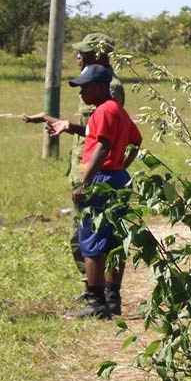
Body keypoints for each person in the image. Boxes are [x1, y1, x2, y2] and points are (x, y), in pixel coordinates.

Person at [22, 33, 124, 298]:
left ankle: (99, 293)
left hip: (97, 171)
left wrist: (67, 127)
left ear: (99, 55)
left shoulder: (109, 86)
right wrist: (52, 119)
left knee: (93, 235)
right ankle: (95, 289)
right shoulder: (90, 83)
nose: (78, 57)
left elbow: (107, 132)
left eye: (84, 52)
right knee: (88, 234)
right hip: (85, 164)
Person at [56, 64, 141, 319]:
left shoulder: (104, 111)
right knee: (115, 241)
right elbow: (136, 140)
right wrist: (123, 165)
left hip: (100, 178)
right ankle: (113, 299)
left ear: (102, 87)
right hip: (119, 179)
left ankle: (96, 302)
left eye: (85, 86)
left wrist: (84, 182)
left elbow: (101, 148)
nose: (81, 92)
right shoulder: (118, 111)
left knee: (91, 242)